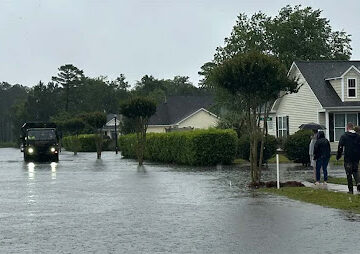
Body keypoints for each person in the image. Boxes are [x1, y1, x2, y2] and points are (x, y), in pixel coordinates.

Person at [336, 122, 360, 194]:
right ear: (352, 127)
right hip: (356, 157)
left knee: (348, 173)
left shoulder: (344, 136)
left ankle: (350, 190)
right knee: (355, 171)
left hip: (348, 157)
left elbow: (340, 146)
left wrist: (338, 156)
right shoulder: (358, 136)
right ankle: (358, 182)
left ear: (347, 128)